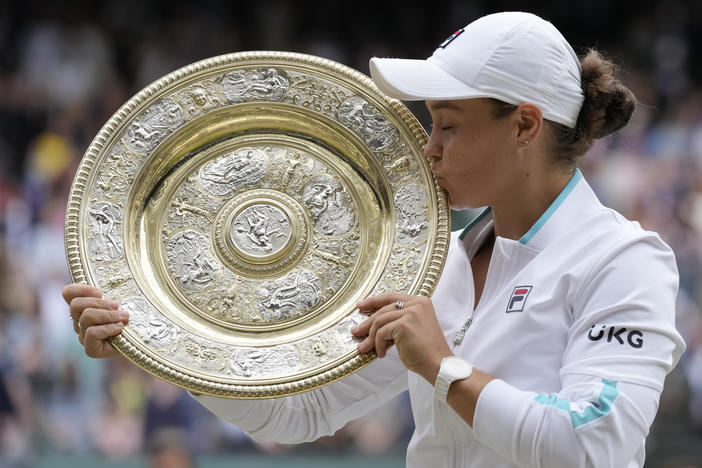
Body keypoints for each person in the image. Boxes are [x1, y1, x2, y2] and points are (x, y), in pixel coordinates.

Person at [63, 11, 686, 468]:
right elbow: (301, 413)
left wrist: (443, 368)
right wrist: (168, 343)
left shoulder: (623, 262)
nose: (429, 147)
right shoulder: (439, 263)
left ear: (524, 125)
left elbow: (591, 449)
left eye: (447, 125)